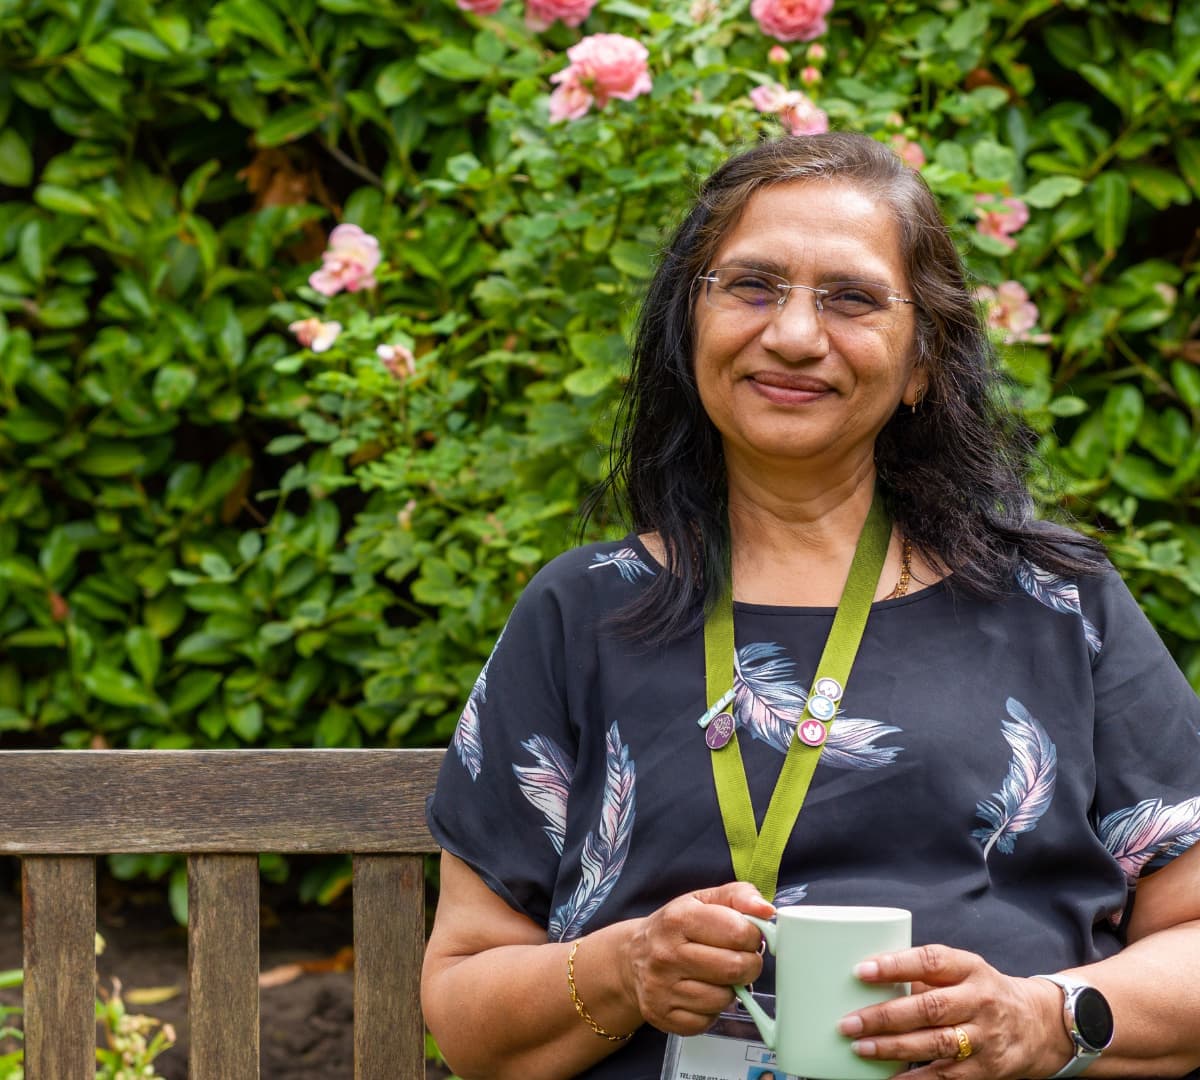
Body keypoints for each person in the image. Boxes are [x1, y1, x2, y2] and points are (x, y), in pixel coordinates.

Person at [421, 132, 1200, 1080]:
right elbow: (464, 1006)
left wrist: (1044, 1020)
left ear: (922, 362)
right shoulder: (582, 613)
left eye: (852, 298)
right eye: (750, 286)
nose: (793, 334)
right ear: (688, 330)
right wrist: (625, 968)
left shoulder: (1055, 605)